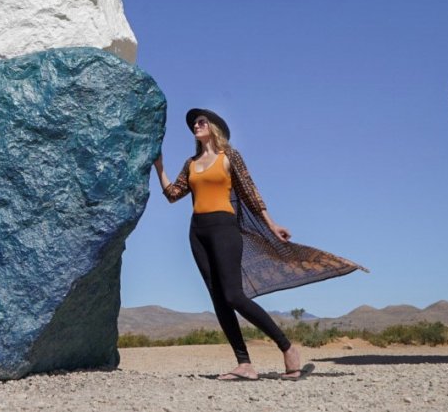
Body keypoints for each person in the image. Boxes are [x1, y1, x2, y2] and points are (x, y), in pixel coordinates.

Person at [154, 108, 365, 382]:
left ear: (214, 127)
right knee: (218, 299)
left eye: (201, 121)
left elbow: (251, 193)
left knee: (233, 294)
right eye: (194, 123)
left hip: (224, 229)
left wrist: (272, 224)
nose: (196, 125)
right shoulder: (191, 163)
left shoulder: (229, 157)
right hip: (198, 233)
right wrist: (159, 166)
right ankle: (244, 364)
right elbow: (173, 195)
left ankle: (287, 347)